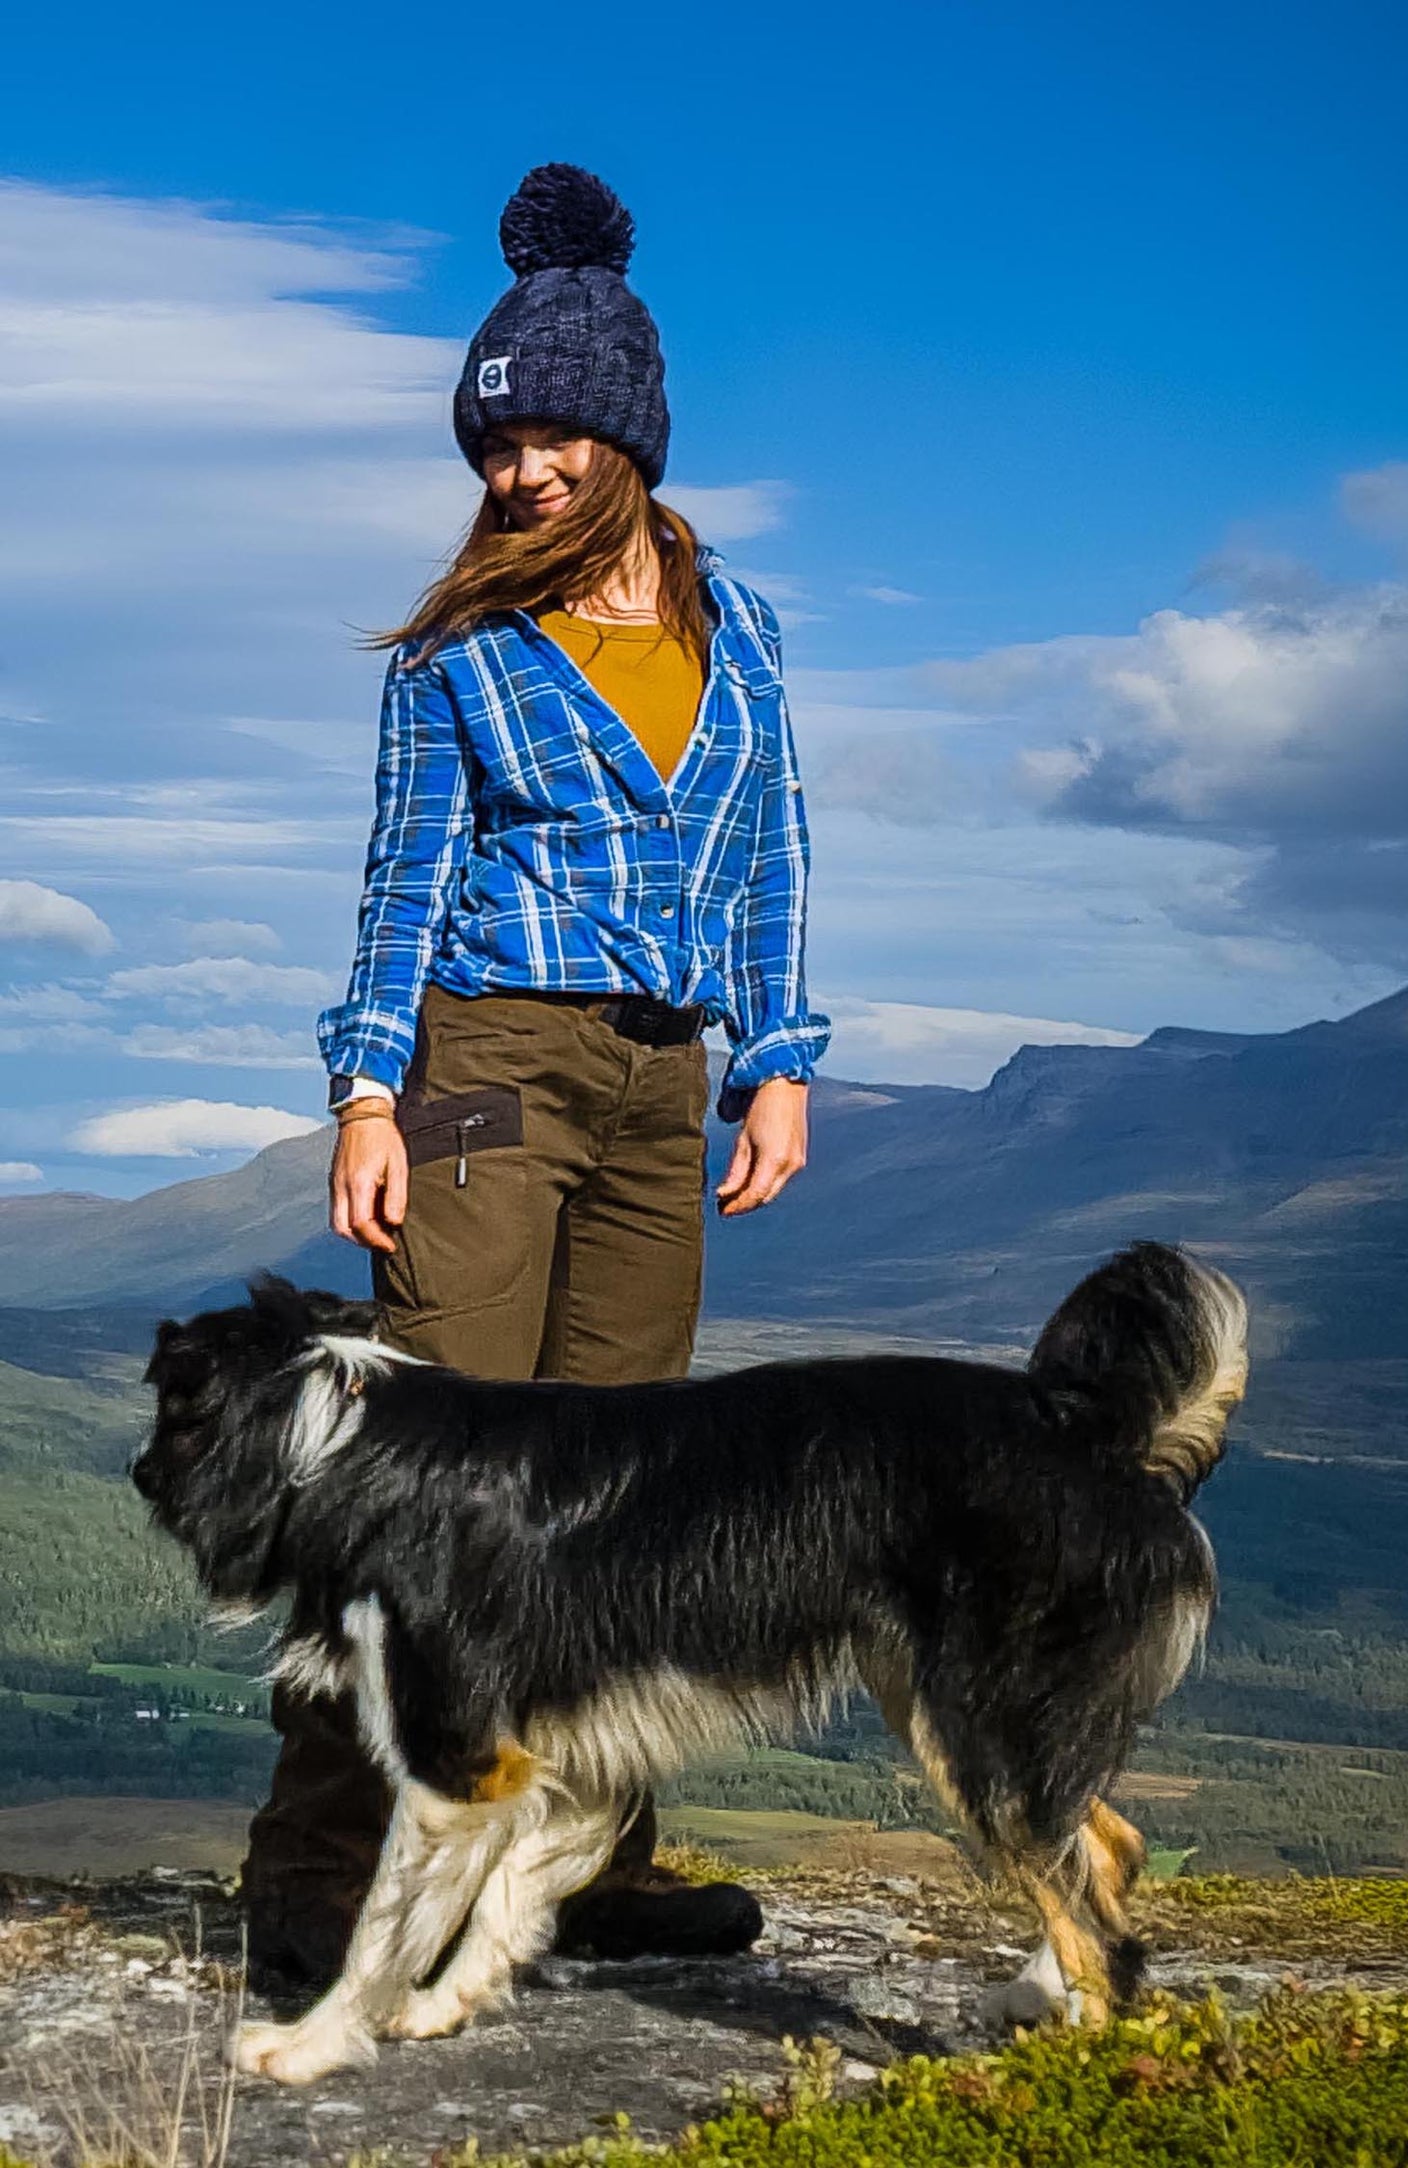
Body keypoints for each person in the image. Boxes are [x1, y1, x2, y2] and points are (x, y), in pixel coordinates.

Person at [241, 163, 831, 1990]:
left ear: (626, 432)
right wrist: (364, 1095)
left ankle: (582, 1869)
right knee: (420, 1480)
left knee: (621, 1503)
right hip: (486, 1070)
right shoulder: (460, 653)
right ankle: (323, 1873)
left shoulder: (741, 640)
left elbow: (771, 858)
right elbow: (401, 880)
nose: (519, 471)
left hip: (667, 1094)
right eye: (494, 447)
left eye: (550, 435)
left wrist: (780, 1062)